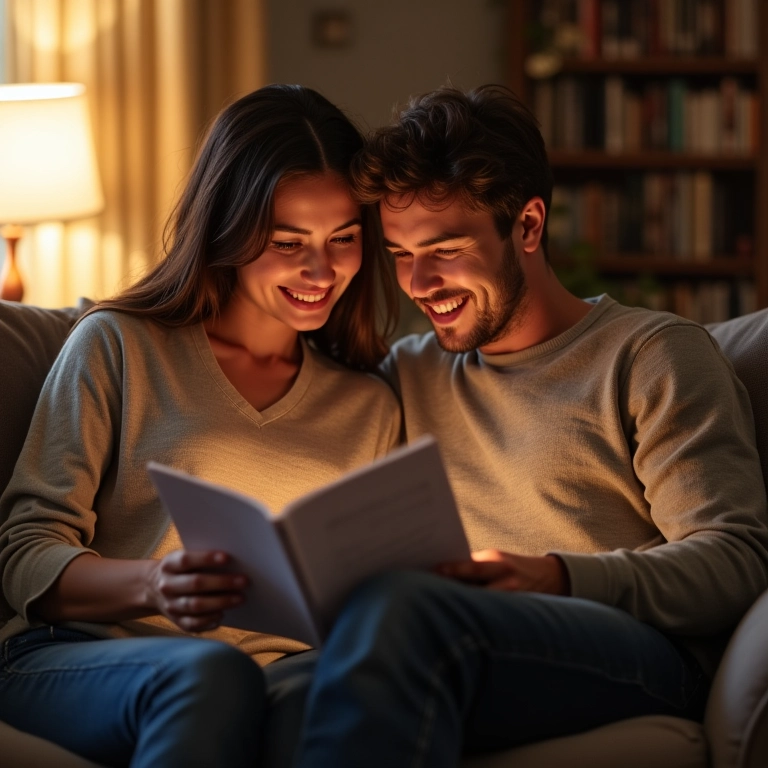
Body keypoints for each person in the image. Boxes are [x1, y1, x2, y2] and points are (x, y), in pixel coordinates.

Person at [291, 84, 768, 767]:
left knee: (404, 611)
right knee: (283, 685)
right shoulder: (410, 373)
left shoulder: (651, 356)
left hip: (634, 649)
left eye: (445, 249)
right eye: (399, 254)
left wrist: (559, 577)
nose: (419, 283)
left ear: (529, 226)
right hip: (455, 639)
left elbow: (735, 559)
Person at [0, 84, 400, 768]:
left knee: (345, 695)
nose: (321, 269)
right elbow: (25, 554)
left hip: (284, 673)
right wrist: (155, 583)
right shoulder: (119, 345)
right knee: (212, 675)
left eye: (344, 238)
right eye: (287, 241)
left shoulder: (369, 405)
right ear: (227, 232)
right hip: (89, 655)